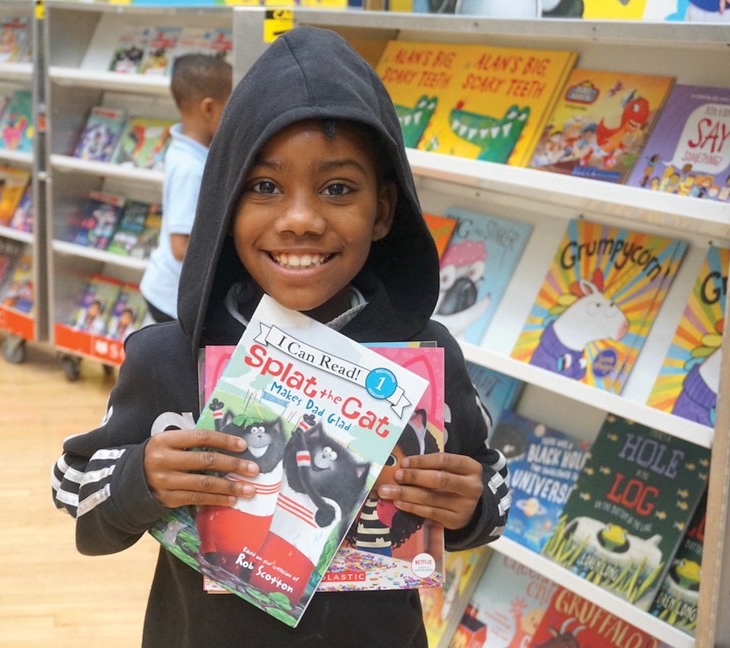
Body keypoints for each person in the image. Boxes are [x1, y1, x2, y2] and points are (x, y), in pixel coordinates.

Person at [51, 26, 509, 647]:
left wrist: (469, 508)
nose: (299, 219)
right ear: (223, 203)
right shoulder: (168, 357)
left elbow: (490, 487)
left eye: (338, 188)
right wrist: (141, 478)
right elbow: (76, 493)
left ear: (382, 210)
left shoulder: (425, 358)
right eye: (265, 187)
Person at [139, 53, 233, 323]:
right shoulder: (191, 168)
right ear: (208, 109)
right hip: (171, 296)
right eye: (230, 105)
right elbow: (181, 246)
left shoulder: (188, 151)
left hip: (168, 289)